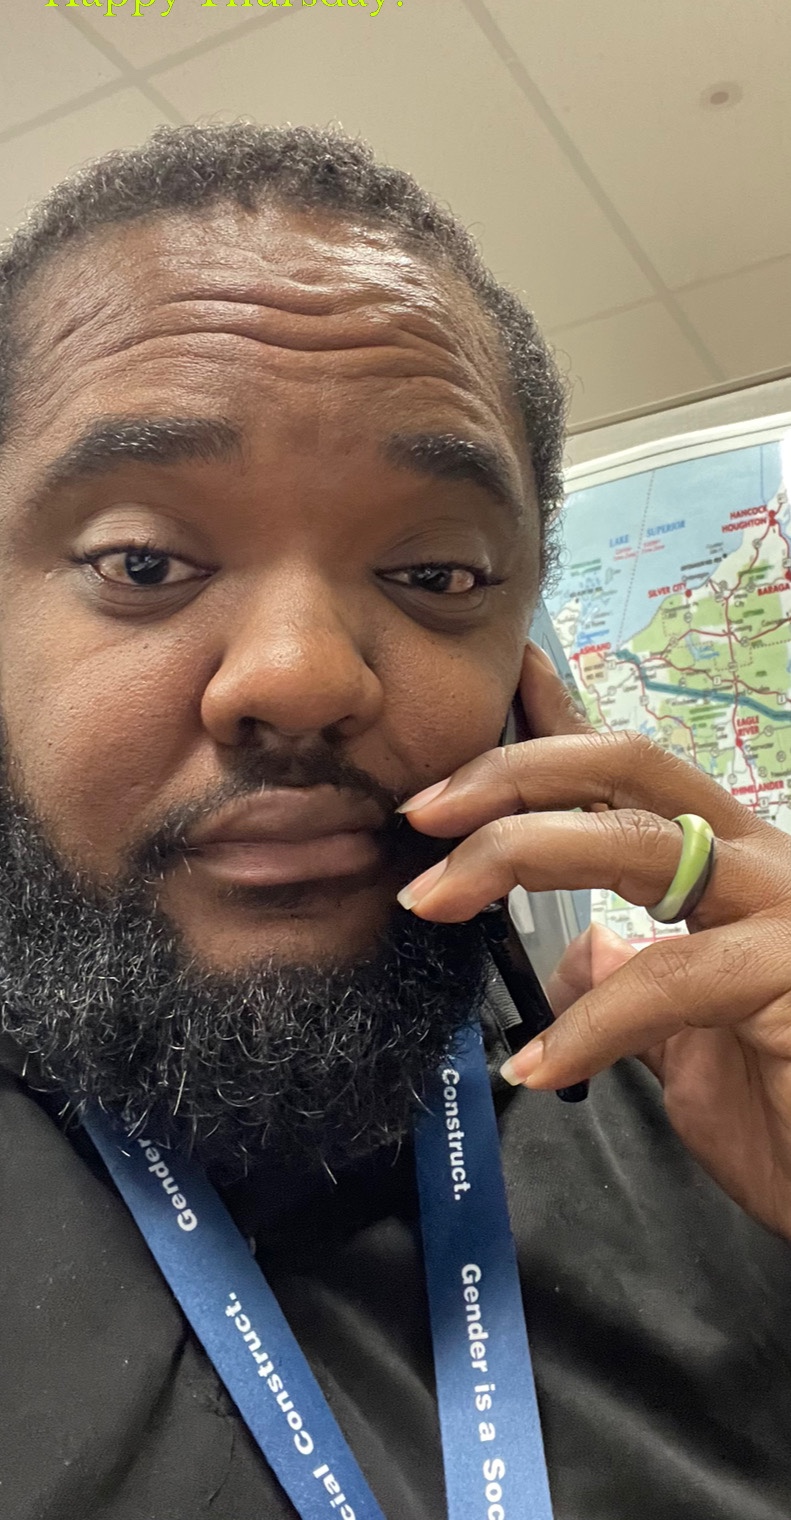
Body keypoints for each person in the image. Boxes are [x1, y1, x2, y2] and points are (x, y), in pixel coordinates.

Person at [0, 121, 790, 1520]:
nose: (301, 676)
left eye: (437, 573)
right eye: (144, 560)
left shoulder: (725, 1133)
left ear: (527, 676)